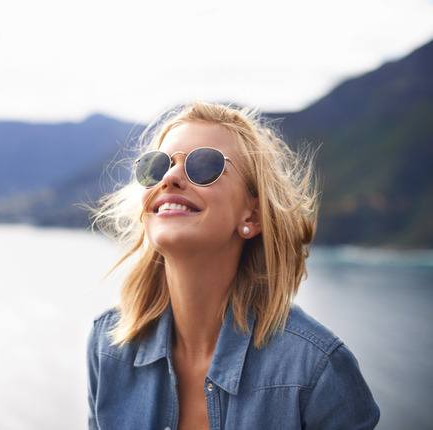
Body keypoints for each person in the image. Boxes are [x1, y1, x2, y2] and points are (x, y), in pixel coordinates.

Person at [86, 101, 380, 429]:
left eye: (204, 165)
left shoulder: (317, 370)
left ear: (251, 216)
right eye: (156, 166)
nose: (169, 177)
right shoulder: (108, 346)